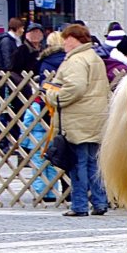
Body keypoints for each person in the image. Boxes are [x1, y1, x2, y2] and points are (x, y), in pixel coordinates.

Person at [42, 23, 110, 217]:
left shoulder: (76, 60)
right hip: (96, 117)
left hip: (78, 119)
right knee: (93, 163)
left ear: (73, 39)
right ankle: (100, 202)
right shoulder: (94, 57)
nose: (64, 43)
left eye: (66, 38)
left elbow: (75, 88)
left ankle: (79, 205)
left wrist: (53, 96)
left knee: (77, 163)